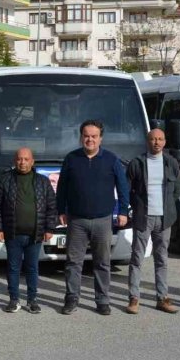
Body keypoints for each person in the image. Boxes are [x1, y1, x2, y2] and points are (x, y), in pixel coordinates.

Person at [56, 120, 129, 316]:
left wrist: (123, 211)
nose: (90, 139)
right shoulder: (71, 159)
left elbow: (123, 188)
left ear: (100, 138)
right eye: (86, 136)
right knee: (73, 262)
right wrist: (60, 210)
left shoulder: (112, 160)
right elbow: (62, 186)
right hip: (76, 220)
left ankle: (102, 300)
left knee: (103, 262)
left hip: (103, 220)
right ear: (81, 137)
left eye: (94, 136)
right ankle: (71, 298)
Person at [0, 147, 57, 314]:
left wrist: (50, 228)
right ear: (15, 161)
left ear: (32, 161)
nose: (22, 162)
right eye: (20, 159)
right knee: (13, 268)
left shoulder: (43, 181)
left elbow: (51, 206)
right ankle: (14, 300)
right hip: (12, 233)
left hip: (35, 234)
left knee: (32, 268)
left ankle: (32, 300)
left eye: (26, 159)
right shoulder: (5, 181)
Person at [125, 128, 180, 314]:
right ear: (147, 141)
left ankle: (162, 298)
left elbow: (177, 191)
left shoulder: (171, 163)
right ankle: (134, 298)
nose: (156, 142)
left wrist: (168, 207)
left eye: (160, 139)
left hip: (164, 219)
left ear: (165, 142)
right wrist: (136, 207)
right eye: (152, 139)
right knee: (137, 258)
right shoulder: (137, 163)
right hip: (144, 217)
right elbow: (128, 189)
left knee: (162, 259)